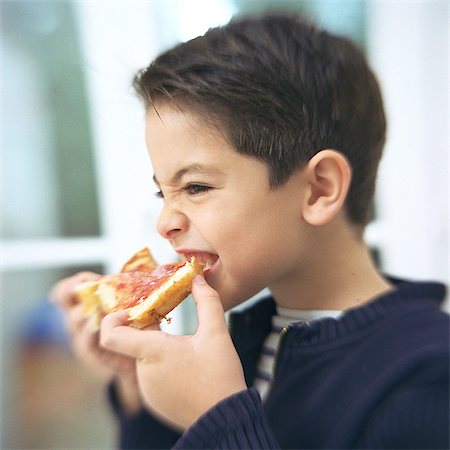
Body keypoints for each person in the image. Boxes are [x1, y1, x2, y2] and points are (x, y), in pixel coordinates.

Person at [51, 13, 449, 450]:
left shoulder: (429, 381)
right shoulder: (241, 342)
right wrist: (138, 392)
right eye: (162, 193)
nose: (166, 223)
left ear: (319, 190)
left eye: (196, 187)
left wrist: (217, 418)